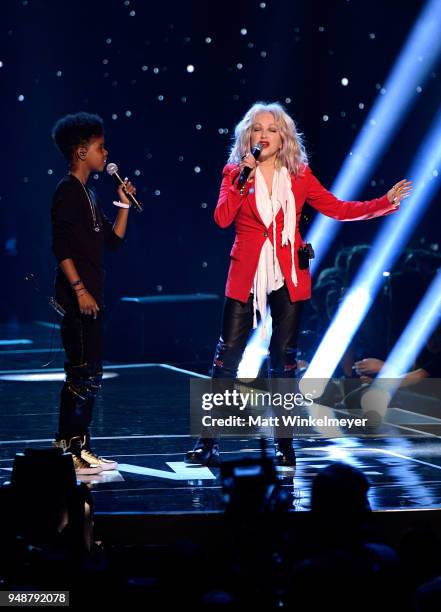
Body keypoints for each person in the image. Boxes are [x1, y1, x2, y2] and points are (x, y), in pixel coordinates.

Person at [185, 101, 412, 467]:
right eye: (257, 129)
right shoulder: (233, 173)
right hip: (246, 275)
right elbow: (222, 218)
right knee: (226, 357)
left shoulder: (299, 175)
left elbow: (337, 208)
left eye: (271, 129)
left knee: (284, 361)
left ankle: (284, 444)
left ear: (284, 136)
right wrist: (243, 178)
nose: (264, 135)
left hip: (290, 273)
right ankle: (207, 441)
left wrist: (383, 203)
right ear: (248, 135)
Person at [51, 112, 137, 475]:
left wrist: (124, 204)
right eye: (101, 147)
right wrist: (81, 290)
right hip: (78, 298)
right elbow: (61, 248)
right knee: (80, 373)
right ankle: (67, 447)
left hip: (93, 297)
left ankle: (81, 446)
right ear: (81, 150)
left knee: (91, 374)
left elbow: (113, 241)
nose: (106, 153)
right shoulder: (67, 192)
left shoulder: (88, 194)